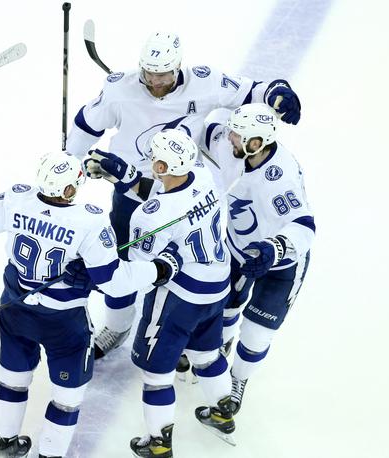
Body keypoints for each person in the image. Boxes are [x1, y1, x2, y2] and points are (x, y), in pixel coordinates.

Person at [0, 134, 181, 458]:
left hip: (15, 310)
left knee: (12, 381)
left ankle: (6, 444)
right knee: (67, 398)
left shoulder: (17, 198)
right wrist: (158, 269)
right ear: (68, 190)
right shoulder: (89, 220)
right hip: (64, 324)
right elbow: (115, 283)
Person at [65, 31, 303, 359]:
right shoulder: (120, 90)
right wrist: (68, 163)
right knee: (119, 262)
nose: (154, 80)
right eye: (148, 73)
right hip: (130, 193)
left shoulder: (204, 82)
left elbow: (251, 91)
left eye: (161, 73)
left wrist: (278, 92)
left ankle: (177, 332)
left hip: (181, 194)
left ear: (178, 67)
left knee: (180, 265)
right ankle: (118, 326)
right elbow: (86, 124)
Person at [86, 129, 237, 457]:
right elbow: (168, 195)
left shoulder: (148, 217)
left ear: (164, 167)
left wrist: (93, 269)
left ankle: (158, 443)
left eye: (156, 159)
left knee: (156, 372)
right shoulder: (202, 174)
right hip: (215, 286)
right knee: (206, 353)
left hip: (178, 297)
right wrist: (125, 178)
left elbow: (141, 274)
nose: (151, 161)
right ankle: (223, 411)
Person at [202, 103, 315, 415]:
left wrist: (274, 248)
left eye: (237, 135)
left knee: (255, 334)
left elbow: (305, 227)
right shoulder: (237, 148)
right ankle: (218, 352)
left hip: (281, 264)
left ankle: (238, 380)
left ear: (256, 143)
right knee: (225, 307)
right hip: (238, 248)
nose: (230, 139)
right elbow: (203, 129)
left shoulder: (280, 179)